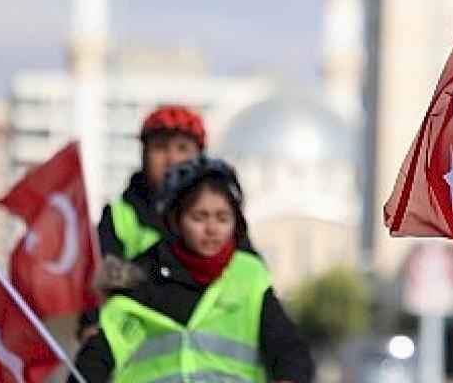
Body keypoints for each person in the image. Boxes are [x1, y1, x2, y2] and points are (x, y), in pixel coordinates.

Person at [72, 155, 313, 382]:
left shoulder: (249, 277)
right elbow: (97, 358)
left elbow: (289, 349)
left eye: (222, 218)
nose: (212, 229)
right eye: (199, 217)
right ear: (175, 221)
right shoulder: (140, 283)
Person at [79, 105, 255, 340]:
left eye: (183, 149)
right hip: (140, 342)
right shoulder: (120, 215)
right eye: (160, 148)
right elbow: (97, 284)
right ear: (143, 155)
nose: (172, 159)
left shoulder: (221, 211)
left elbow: (253, 276)